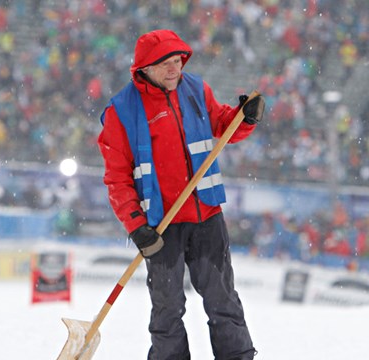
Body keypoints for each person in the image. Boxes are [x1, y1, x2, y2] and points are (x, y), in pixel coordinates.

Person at [98, 29, 264, 360]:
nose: (175, 69)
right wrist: (136, 226)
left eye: (178, 61)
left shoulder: (196, 89)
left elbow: (223, 126)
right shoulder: (122, 111)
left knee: (222, 299)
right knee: (167, 308)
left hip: (206, 216)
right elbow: (117, 178)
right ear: (143, 67)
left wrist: (244, 118)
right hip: (161, 226)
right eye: (166, 64)